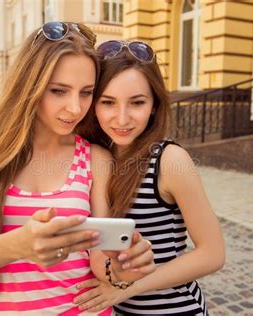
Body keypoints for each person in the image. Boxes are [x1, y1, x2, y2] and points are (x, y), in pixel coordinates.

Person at [0, 24, 154, 316]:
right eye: (59, 91)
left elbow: (99, 255)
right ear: (29, 85)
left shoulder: (95, 158)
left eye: (86, 92)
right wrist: (20, 244)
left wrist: (122, 269)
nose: (75, 108)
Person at [75, 40, 226, 315]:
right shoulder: (94, 156)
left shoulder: (169, 160)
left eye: (137, 102)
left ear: (154, 104)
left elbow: (212, 254)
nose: (122, 118)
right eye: (108, 102)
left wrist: (130, 287)